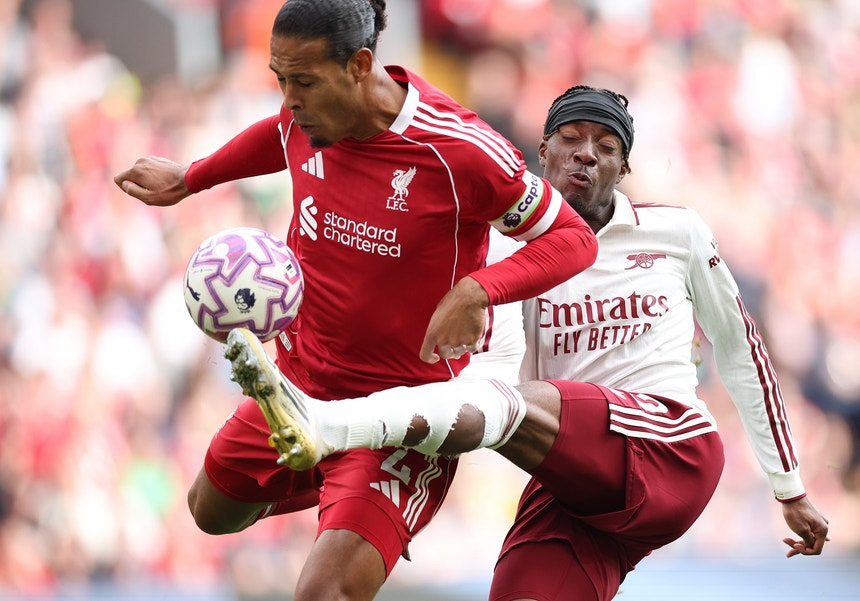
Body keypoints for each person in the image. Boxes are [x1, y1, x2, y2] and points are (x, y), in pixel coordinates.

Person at [221, 85, 830, 601]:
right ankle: (334, 434)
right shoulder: (500, 251)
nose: (586, 153)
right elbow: (489, 385)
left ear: (624, 168)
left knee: (519, 403)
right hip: (575, 486)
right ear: (543, 152)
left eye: (607, 146)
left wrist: (790, 487)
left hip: (669, 447)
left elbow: (741, 349)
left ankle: (328, 425)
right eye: (571, 138)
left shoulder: (678, 232)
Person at [113, 1, 597, 600]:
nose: (290, 99)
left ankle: (367, 499)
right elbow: (279, 136)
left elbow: (573, 239)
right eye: (280, 79)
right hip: (299, 387)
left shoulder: (460, 151)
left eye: (303, 82)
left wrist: (479, 289)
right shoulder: (310, 112)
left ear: (360, 66)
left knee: (324, 594)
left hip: (400, 414)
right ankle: (333, 476)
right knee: (210, 512)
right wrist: (192, 177)